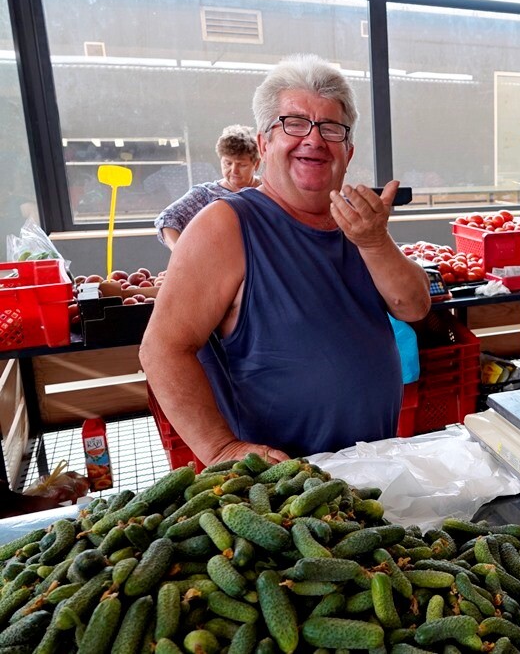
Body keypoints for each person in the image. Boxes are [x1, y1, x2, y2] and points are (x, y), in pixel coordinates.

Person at [139, 54, 431, 465]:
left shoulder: (356, 220)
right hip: (281, 487)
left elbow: (414, 306)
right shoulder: (225, 224)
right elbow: (162, 349)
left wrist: (375, 241)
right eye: (294, 123)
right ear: (264, 144)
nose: (314, 139)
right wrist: (221, 449)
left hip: (369, 467)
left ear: (348, 152)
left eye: (330, 128)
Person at [154, 125, 260, 249]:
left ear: (256, 164)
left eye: (242, 165)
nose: (234, 171)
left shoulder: (269, 189)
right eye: (228, 163)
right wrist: (181, 253)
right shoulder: (206, 194)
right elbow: (167, 218)